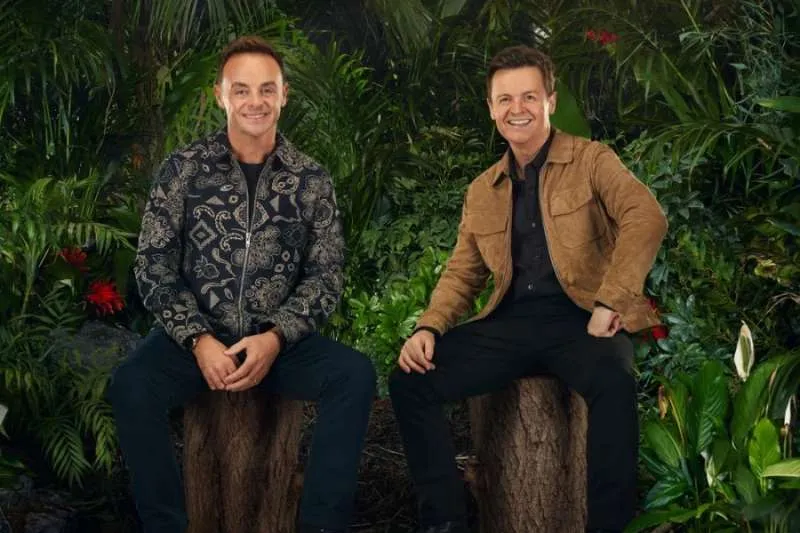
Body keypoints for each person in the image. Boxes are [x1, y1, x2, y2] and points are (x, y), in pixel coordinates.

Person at [389, 45, 668, 533]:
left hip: (581, 319)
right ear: (491, 108)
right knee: (411, 380)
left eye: (529, 97)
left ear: (550, 101)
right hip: (511, 325)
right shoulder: (483, 189)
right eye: (505, 99)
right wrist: (428, 327)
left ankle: (610, 526)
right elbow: (462, 273)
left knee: (614, 381)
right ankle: (446, 522)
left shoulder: (592, 160)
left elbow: (645, 216)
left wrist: (612, 300)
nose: (517, 109)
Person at [109, 36, 376, 533]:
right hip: (195, 343)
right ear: (221, 95)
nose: (256, 101)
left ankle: (322, 525)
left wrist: (275, 338)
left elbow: (325, 275)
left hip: (277, 345)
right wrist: (197, 338)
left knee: (355, 376)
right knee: (130, 386)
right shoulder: (183, 169)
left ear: (284, 95)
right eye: (242, 89)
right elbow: (153, 264)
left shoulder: (311, 180)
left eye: (267, 89)